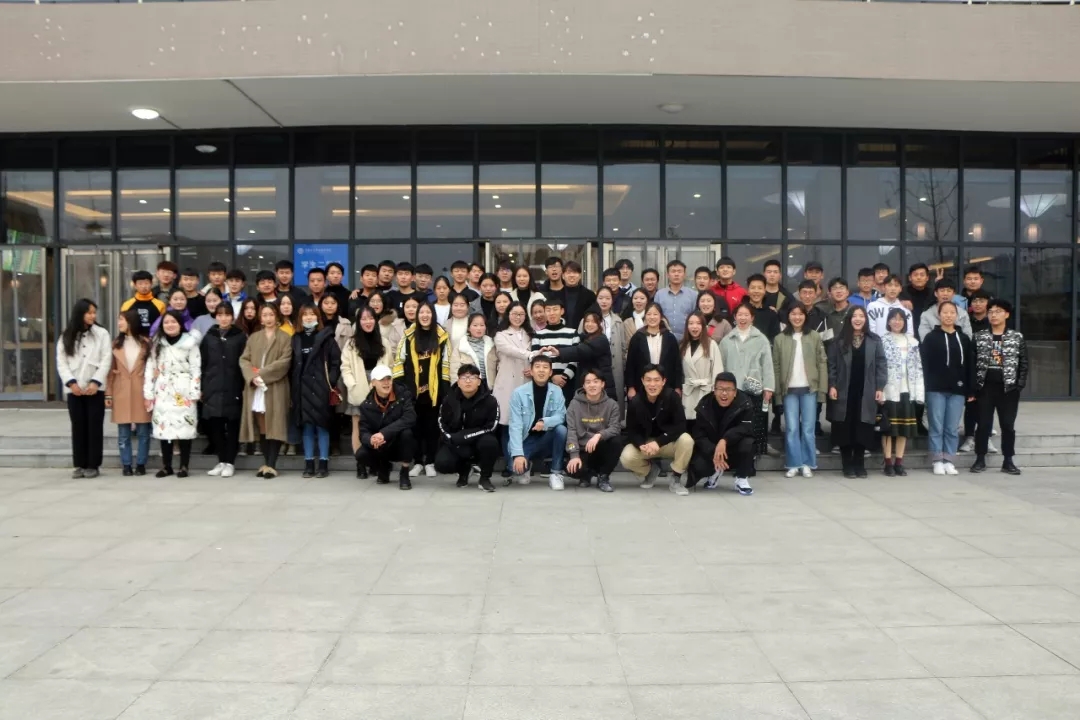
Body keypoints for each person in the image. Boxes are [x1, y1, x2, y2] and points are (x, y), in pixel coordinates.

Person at [828, 306, 887, 478]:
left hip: (866, 390)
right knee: (844, 427)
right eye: (854, 316)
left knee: (863, 427)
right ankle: (847, 465)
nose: (858, 319)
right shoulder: (838, 341)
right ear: (849, 319)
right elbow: (831, 365)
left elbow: (881, 364)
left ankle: (859, 464)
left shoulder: (874, 340)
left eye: (861, 316)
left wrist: (880, 387)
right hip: (844, 390)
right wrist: (832, 385)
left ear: (866, 320)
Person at [971, 299, 1028, 476]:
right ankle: (980, 459)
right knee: (983, 424)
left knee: (1008, 425)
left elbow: (1024, 363)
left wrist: (1019, 385)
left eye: (998, 311)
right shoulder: (979, 336)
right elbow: (972, 363)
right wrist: (974, 387)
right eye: (991, 312)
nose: (993, 315)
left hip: (1008, 389)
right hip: (985, 388)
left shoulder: (1016, 337)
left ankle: (1008, 460)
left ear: (1007, 314)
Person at [393, 302, 450, 478]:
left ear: (433, 315)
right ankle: (417, 462)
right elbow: (399, 361)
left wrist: (444, 391)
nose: (425, 315)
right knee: (415, 429)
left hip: (433, 392)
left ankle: (430, 462)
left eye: (428, 312)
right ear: (417, 315)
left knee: (432, 429)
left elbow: (446, 364)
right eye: (422, 312)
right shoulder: (408, 335)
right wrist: (400, 388)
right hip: (412, 392)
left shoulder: (441, 336)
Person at [619, 364, 693, 495]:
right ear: (642, 381)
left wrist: (659, 442)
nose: (652, 384)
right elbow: (632, 430)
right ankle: (651, 471)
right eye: (648, 380)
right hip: (647, 444)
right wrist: (640, 444)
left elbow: (680, 426)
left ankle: (676, 477)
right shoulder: (635, 402)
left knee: (687, 440)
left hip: (668, 442)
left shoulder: (672, 397)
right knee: (627, 457)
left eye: (656, 380)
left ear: (663, 381)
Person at [58, 299, 111, 479]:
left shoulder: (102, 334)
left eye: (94, 312)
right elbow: (61, 362)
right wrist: (71, 383)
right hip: (75, 388)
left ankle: (93, 464)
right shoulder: (66, 336)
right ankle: (80, 464)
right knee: (78, 425)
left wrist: (96, 382)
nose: (92, 316)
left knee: (94, 425)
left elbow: (106, 359)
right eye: (89, 312)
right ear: (80, 313)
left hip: (95, 388)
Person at [772, 304, 828, 478]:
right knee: (792, 428)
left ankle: (808, 463)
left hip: (809, 388)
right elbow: (776, 366)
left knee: (808, 429)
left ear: (805, 316)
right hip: (788, 390)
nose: (797, 317)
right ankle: (793, 463)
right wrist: (777, 393)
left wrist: (822, 389)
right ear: (788, 316)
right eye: (793, 314)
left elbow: (822, 363)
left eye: (800, 314)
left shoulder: (814, 336)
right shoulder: (780, 338)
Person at [144, 310, 201, 478]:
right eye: (166, 322)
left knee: (185, 427)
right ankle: (166, 465)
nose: (170, 325)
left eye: (173, 322)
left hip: (183, 389)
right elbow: (150, 369)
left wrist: (194, 391)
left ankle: (184, 465)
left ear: (180, 324)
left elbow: (195, 368)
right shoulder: (157, 344)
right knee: (164, 427)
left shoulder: (190, 343)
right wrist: (148, 393)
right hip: (163, 389)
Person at [239, 303, 293, 478]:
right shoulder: (254, 337)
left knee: (275, 423)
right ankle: (266, 462)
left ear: (276, 316)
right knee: (262, 425)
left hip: (275, 386)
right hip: (256, 386)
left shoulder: (285, 337)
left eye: (271, 314)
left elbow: (284, 362)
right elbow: (244, 359)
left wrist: (261, 373)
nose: (268, 318)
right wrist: (251, 376)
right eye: (264, 315)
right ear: (260, 318)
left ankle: (272, 464)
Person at [922, 300, 975, 476]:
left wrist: (970, 389)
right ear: (939, 315)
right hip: (935, 388)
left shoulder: (964, 339)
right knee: (936, 426)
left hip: (958, 389)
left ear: (957, 315)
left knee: (952, 427)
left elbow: (970, 365)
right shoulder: (931, 338)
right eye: (945, 312)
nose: (948, 315)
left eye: (952, 312)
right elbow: (925, 364)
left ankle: (949, 460)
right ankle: (937, 460)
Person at [342, 306, 394, 478]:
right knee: (358, 427)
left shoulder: (384, 342)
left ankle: (375, 462)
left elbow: (390, 365)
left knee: (379, 427)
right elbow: (345, 367)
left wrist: (386, 385)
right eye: (363, 319)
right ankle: (361, 463)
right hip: (359, 388)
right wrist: (352, 384)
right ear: (358, 322)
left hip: (379, 389)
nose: (367, 322)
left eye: (370, 318)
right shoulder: (351, 343)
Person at [435, 362, 501, 492]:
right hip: (456, 442)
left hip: (479, 440)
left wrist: (465, 436)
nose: (468, 381)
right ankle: (463, 471)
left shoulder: (490, 400)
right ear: (458, 381)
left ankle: (485, 478)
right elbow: (441, 422)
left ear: (479, 381)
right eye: (464, 377)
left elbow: (491, 426)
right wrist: (450, 438)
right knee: (442, 463)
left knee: (490, 443)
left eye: (472, 377)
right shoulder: (449, 399)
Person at [720, 304, 774, 458]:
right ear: (735, 317)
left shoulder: (761, 339)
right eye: (740, 315)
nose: (742, 318)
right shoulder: (727, 340)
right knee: (734, 422)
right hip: (733, 390)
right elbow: (722, 366)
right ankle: (735, 453)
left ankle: (754, 453)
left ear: (752, 318)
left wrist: (768, 387)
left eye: (746, 315)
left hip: (754, 388)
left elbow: (767, 365)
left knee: (755, 421)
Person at [689, 372, 757, 495]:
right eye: (720, 389)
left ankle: (741, 478)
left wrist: (725, 440)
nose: (724, 393)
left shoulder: (745, 403)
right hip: (713, 448)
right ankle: (716, 471)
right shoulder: (704, 405)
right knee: (698, 466)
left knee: (748, 442)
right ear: (714, 390)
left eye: (728, 390)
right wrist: (714, 451)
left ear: (735, 392)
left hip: (734, 446)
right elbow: (699, 435)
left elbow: (745, 428)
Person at [200, 302, 247, 478]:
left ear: (232, 317)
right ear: (216, 317)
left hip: (234, 385)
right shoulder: (209, 336)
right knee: (216, 425)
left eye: (227, 315)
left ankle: (230, 462)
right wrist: (202, 386)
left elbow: (244, 361)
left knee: (233, 425)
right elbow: (202, 362)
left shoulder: (240, 336)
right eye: (220, 315)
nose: (224, 318)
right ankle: (221, 461)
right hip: (212, 386)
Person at [506, 354, 567, 489]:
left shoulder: (557, 391)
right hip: (526, 440)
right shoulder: (518, 393)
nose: (541, 370)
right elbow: (515, 425)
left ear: (550, 372)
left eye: (545, 367)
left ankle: (556, 473)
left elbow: (561, 416)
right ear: (531, 371)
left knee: (561, 430)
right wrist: (518, 454)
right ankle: (527, 465)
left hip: (546, 438)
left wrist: (545, 422)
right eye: (537, 367)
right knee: (515, 468)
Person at [106, 308, 152, 477]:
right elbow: (110, 371)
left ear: (131, 321)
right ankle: (126, 464)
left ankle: (141, 464)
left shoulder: (146, 343)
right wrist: (108, 394)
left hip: (142, 389)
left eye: (122, 319)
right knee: (123, 433)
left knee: (143, 431)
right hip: (121, 390)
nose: (119, 323)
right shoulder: (115, 344)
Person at [356, 365, 418, 489]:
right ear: (373, 382)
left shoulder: (404, 395)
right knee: (361, 455)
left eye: (388, 379)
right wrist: (371, 439)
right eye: (382, 380)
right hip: (381, 445)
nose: (386, 383)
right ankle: (383, 467)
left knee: (407, 433)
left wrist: (384, 433)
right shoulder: (366, 405)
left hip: (398, 442)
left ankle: (404, 472)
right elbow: (363, 431)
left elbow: (410, 417)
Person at [880, 308, 924, 476]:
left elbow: (918, 367)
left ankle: (899, 462)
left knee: (904, 430)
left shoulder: (913, 342)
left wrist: (919, 392)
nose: (897, 322)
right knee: (888, 429)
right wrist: (880, 390)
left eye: (900, 319)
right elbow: (880, 367)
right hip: (890, 390)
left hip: (907, 390)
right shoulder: (882, 341)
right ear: (888, 321)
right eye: (894, 318)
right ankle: (887, 463)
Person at [565, 370, 624, 492]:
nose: (592, 385)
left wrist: (598, 435)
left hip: (601, 446)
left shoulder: (612, 404)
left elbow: (615, 428)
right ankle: (586, 475)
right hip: (583, 448)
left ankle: (603, 476)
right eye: (588, 382)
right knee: (572, 469)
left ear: (602, 384)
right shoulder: (574, 404)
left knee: (617, 441)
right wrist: (574, 455)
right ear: (583, 386)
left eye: (596, 381)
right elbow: (571, 431)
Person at [546, 310, 615, 399]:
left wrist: (560, 352)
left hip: (600, 384)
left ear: (599, 324)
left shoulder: (601, 339)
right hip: (587, 383)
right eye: (587, 321)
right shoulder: (583, 338)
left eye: (593, 322)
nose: (589, 324)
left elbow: (581, 351)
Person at [960, 289, 996, 454]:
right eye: (975, 301)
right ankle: (969, 437)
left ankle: (986, 437)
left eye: (982, 301)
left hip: (989, 368)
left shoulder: (993, 322)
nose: (978, 304)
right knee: (971, 404)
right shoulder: (965, 320)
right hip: (969, 367)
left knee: (987, 405)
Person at [624, 302, 682, 399]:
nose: (652, 317)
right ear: (645, 317)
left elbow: (677, 364)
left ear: (661, 317)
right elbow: (630, 364)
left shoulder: (670, 338)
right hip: (642, 386)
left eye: (655, 314)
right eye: (649, 314)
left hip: (666, 385)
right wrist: (631, 387)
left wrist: (677, 387)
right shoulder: (637, 337)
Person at [680, 311, 725, 431]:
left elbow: (718, 370)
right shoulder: (683, 345)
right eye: (691, 323)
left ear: (703, 326)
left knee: (704, 426)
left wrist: (716, 391)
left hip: (706, 391)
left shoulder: (711, 344)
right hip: (688, 391)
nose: (694, 327)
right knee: (689, 426)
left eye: (698, 323)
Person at [531, 299, 579, 404]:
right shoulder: (538, 335)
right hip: (544, 382)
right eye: (548, 310)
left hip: (567, 383)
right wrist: (551, 377)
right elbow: (536, 359)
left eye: (555, 309)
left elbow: (575, 358)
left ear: (562, 311)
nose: (552, 313)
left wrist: (564, 377)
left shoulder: (572, 333)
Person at [590, 287, 626, 413]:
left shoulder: (618, 321)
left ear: (612, 300)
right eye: (601, 298)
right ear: (596, 300)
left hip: (614, 367)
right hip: (594, 366)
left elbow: (623, 348)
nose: (604, 301)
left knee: (614, 400)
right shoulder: (587, 320)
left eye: (607, 298)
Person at [450, 313, 498, 388]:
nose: (479, 328)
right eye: (475, 325)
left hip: (490, 387)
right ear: (468, 328)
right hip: (468, 387)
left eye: (482, 325)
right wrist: (457, 388)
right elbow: (454, 370)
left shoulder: (492, 344)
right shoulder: (461, 346)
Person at [654, 259, 697, 342]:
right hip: (663, 339)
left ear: (684, 274)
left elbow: (696, 317)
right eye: (673, 271)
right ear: (668, 274)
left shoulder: (693, 295)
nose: (676, 274)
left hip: (687, 339)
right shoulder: (659, 294)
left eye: (679, 271)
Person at [867, 274, 913, 339]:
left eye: (896, 285)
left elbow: (909, 333)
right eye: (890, 285)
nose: (893, 288)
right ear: (883, 287)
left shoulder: (905, 310)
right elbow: (871, 330)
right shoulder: (872, 306)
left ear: (900, 289)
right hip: (877, 344)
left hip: (900, 344)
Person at [560, 261, 597, 330]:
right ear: (563, 276)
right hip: (562, 334)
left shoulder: (589, 295)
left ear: (580, 276)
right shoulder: (556, 295)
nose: (572, 275)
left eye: (575, 272)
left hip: (583, 333)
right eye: (568, 272)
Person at [743, 275, 782, 341]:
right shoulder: (740, 312)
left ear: (764, 290)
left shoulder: (771, 314)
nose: (756, 291)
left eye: (760, 288)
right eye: (753, 288)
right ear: (748, 290)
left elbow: (775, 338)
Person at [821, 278, 855, 345]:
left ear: (847, 292)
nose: (838, 291)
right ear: (830, 294)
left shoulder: (855, 311)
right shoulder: (824, 314)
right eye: (835, 288)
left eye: (841, 288)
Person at [905, 263, 935, 333]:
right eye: (915, 275)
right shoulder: (901, 292)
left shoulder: (933, 294)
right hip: (907, 332)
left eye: (922, 275)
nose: (919, 277)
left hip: (928, 331)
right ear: (910, 278)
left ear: (927, 278)